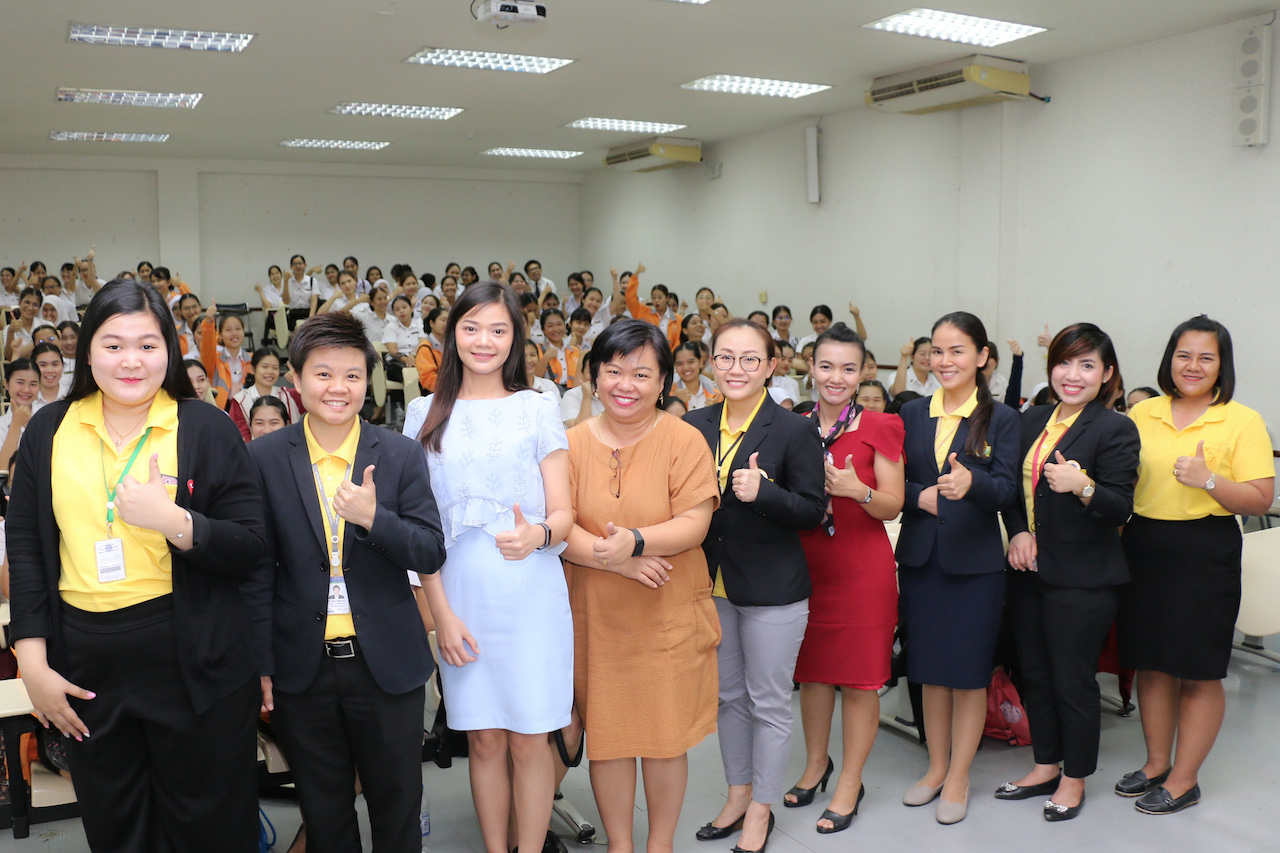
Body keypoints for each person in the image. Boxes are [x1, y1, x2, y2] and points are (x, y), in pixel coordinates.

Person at [7, 279, 266, 852]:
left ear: (171, 351)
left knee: (211, 827)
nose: (131, 360)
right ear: (87, 350)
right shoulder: (50, 429)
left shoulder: (206, 427)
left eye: (148, 345)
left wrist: (175, 521)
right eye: (113, 343)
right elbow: (25, 545)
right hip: (85, 665)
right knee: (117, 827)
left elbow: (250, 544)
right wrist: (32, 661)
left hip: (195, 657)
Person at [242, 312, 446, 853]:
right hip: (301, 666)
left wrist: (374, 518)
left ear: (368, 381)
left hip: (386, 665)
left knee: (397, 808)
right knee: (324, 813)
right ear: (297, 378)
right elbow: (257, 569)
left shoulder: (398, 453)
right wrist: (262, 661)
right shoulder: (264, 457)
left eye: (353, 375)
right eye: (324, 374)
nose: (338, 388)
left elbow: (430, 549)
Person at [404, 282, 573, 853]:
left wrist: (539, 535)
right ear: (452, 333)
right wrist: (437, 613)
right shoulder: (423, 412)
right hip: (459, 594)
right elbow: (417, 524)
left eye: (498, 330)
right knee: (482, 739)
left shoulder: (537, 405)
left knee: (530, 739)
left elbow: (565, 512)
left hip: (530, 589)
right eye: (472, 327)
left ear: (515, 338)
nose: (484, 341)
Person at [562, 319, 719, 853]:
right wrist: (616, 560)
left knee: (663, 737)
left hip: (666, 611)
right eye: (613, 371)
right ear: (594, 376)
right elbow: (559, 530)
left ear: (664, 382)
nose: (625, 385)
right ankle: (620, 845)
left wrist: (635, 540)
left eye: (641, 374)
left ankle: (660, 844)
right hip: (597, 614)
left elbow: (695, 524)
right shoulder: (570, 445)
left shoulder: (684, 440)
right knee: (608, 736)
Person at [1116, 316, 1273, 815]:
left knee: (1199, 670)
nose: (1193, 366)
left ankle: (1185, 779)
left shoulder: (1241, 420)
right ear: (1169, 359)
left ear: (1222, 366)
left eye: (1207, 357)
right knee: (1151, 662)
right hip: (1143, 543)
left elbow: (1259, 498)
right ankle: (1156, 763)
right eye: (1184, 355)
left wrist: (1209, 480)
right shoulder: (1143, 414)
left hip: (1205, 550)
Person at [686, 319, 825, 852]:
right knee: (728, 699)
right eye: (725, 358)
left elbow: (812, 512)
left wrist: (764, 492)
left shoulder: (794, 429)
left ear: (771, 366)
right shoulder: (695, 424)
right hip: (710, 584)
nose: (736, 369)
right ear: (710, 363)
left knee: (767, 702)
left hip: (773, 589)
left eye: (750, 359)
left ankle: (761, 809)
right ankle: (737, 793)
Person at [998, 323, 1140, 821]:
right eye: (1064, 362)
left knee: (1072, 680)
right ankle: (1044, 765)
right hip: (1029, 570)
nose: (1072, 375)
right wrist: (1018, 532)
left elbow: (1120, 508)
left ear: (1106, 374)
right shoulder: (1033, 417)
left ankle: (1074, 778)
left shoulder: (1115, 428)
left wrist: (1083, 486)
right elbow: (1010, 490)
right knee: (1034, 673)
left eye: (1086, 365)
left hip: (1084, 579)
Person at [895, 311, 1019, 825]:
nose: (945, 361)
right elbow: (888, 487)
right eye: (938, 351)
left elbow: (1009, 490)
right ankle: (936, 768)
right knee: (928, 673)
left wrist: (976, 485)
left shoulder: (1003, 418)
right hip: (922, 560)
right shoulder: (911, 414)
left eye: (957, 351)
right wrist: (916, 496)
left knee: (967, 675)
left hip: (974, 565)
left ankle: (961, 775)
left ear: (983, 357)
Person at [785, 323, 904, 833]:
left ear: (864, 372)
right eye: (826, 366)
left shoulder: (881, 426)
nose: (836, 377)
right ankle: (816, 763)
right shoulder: (793, 425)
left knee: (858, 680)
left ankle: (850, 780)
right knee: (811, 674)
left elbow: (894, 504)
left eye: (848, 368)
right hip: (806, 565)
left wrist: (858, 491)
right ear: (810, 367)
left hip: (862, 568)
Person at [229, 348, 301, 440]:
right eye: (264, 366)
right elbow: (239, 437)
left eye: (275, 367)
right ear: (252, 369)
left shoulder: (291, 396)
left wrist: (300, 379)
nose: (270, 372)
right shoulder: (240, 400)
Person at [199, 302, 252, 409]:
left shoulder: (252, 359)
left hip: (248, 408)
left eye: (238, 329)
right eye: (228, 330)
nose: (234, 333)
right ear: (220, 335)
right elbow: (207, 346)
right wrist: (208, 322)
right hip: (221, 409)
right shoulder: (215, 359)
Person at [622, 264, 681, 350]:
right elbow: (630, 298)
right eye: (653, 297)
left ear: (667, 298)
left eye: (660, 297)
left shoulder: (677, 319)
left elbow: (678, 342)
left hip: (669, 358)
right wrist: (635, 275)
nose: (656, 300)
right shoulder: (644, 312)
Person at [0, 359, 42, 471]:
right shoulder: (1, 424)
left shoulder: (48, 417)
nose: (26, 390)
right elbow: (3, 470)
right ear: (6, 384)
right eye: (20, 382)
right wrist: (16, 425)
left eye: (33, 384)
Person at [670, 342, 722, 411]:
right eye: (680, 364)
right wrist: (675, 402)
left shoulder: (716, 395)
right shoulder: (668, 394)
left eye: (691, 362)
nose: (686, 368)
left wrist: (717, 410)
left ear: (700, 362)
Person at [416, 306, 449, 394]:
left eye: (448, 321)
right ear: (432, 323)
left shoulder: (452, 345)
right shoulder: (425, 348)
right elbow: (427, 378)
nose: (446, 324)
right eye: (443, 320)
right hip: (435, 393)